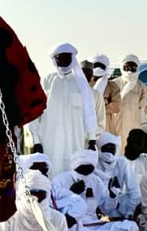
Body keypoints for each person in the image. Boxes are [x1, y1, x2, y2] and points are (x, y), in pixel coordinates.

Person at [52, 150, 139, 231]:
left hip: (94, 225)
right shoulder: (61, 180)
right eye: (83, 168)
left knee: (132, 227)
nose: (86, 171)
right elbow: (53, 207)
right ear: (75, 166)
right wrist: (72, 193)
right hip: (74, 226)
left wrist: (112, 195)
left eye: (89, 168)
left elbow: (107, 209)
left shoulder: (96, 181)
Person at [28, 43, 98, 173]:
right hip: (50, 140)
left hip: (75, 140)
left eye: (66, 58)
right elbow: (36, 112)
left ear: (72, 59)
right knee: (52, 172)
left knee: (75, 173)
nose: (63, 61)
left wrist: (92, 139)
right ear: (54, 60)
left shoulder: (80, 83)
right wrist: (36, 141)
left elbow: (89, 112)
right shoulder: (47, 81)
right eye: (60, 58)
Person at [94, 132, 142, 220]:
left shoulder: (122, 162)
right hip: (103, 207)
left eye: (112, 148)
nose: (109, 152)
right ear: (100, 149)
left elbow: (133, 190)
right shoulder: (95, 165)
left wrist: (129, 212)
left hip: (124, 204)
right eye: (106, 148)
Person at [113, 55, 147, 151]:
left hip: (133, 123)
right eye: (127, 67)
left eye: (133, 67)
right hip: (117, 123)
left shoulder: (141, 86)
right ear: (122, 67)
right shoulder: (114, 84)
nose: (129, 70)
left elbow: (141, 107)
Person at [91, 53, 122, 132]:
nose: (98, 68)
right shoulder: (85, 83)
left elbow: (117, 106)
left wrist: (97, 109)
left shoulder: (112, 86)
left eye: (100, 66)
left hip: (106, 124)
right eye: (95, 65)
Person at [80, 60, 107, 137]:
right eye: (83, 72)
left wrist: (90, 135)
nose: (86, 75)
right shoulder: (71, 92)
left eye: (89, 73)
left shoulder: (96, 94)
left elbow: (100, 121)